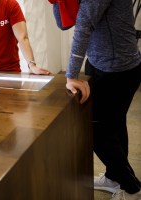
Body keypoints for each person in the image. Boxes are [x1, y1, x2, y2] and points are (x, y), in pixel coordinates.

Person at [65, 0, 141, 199]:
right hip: (100, 63)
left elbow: (83, 25)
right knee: (114, 124)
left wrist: (71, 74)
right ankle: (114, 177)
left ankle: (131, 188)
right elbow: (64, 22)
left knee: (95, 130)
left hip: (118, 70)